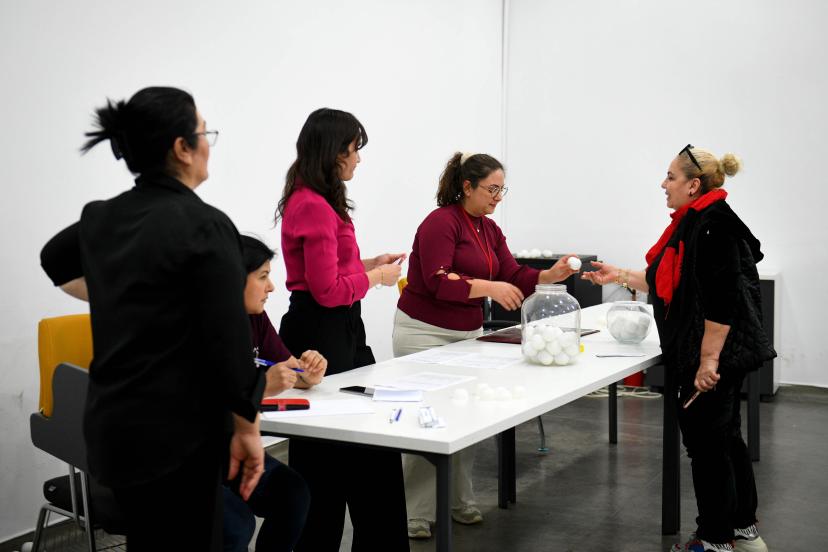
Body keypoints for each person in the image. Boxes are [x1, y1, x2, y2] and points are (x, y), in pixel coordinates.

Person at [39, 87, 265, 551]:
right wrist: (247, 427)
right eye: (204, 134)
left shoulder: (104, 217)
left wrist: (120, 291)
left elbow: (53, 258)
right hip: (179, 438)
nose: (208, 145)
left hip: (114, 434)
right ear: (182, 148)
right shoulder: (205, 225)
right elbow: (228, 343)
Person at [582, 145, 774, 552]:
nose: (663, 184)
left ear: (693, 184)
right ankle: (743, 529)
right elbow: (671, 281)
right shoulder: (699, 220)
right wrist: (619, 275)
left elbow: (721, 301)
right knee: (724, 438)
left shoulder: (713, 226)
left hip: (712, 353)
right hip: (712, 350)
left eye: (671, 176)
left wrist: (708, 361)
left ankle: (715, 539)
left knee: (708, 446)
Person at [393, 151, 579, 539]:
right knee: (426, 420)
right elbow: (438, 280)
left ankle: (459, 499)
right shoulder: (440, 222)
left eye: (501, 190)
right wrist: (489, 288)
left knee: (466, 416)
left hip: (466, 334)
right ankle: (415, 512)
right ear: (467, 186)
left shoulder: (489, 229)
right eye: (492, 189)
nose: (498, 197)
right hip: (424, 333)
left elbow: (513, 273)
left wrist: (550, 274)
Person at [275, 107, 409, 551]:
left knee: (358, 450)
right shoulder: (312, 204)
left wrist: (369, 264)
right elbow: (327, 289)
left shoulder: (316, 198)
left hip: (338, 329)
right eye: (354, 149)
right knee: (332, 456)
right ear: (334, 152)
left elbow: (331, 270)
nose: (358, 159)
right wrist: (376, 278)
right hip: (322, 332)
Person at [222, 235, 327, 552]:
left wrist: (308, 374)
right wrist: (261, 387)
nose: (271, 288)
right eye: (263, 277)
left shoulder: (255, 317)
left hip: (233, 445)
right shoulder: (197, 327)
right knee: (236, 525)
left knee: (293, 493)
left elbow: (289, 369)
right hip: (191, 454)